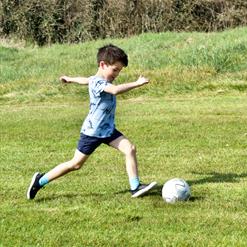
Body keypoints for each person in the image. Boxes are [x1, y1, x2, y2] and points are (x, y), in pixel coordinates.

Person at [27, 44, 156, 200]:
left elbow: (85, 80)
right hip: (93, 132)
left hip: (108, 130)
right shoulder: (98, 83)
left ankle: (135, 187)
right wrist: (137, 83)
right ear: (102, 65)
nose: (117, 74)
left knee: (130, 149)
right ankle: (40, 181)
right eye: (115, 69)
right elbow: (114, 90)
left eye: (119, 71)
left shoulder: (94, 80)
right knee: (75, 164)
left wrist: (69, 79)